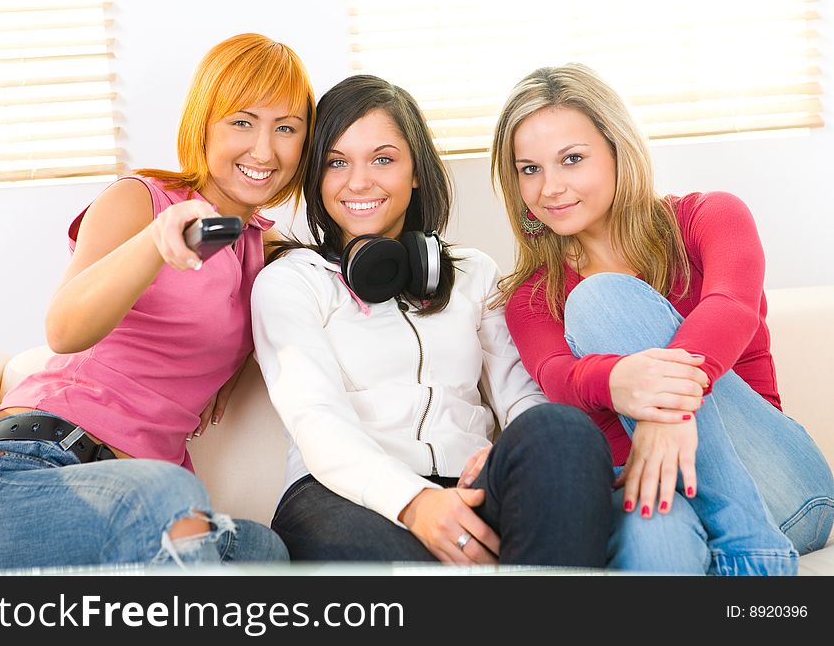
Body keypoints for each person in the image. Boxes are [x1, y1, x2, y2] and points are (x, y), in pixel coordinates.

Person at [0, 33, 315, 571]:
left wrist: (236, 365)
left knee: (263, 551)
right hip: (27, 473)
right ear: (204, 124)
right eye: (243, 121)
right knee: (166, 498)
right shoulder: (141, 200)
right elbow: (64, 328)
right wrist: (154, 242)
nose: (264, 150)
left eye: (286, 128)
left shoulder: (264, 254)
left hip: (149, 511)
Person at [251, 74, 613, 567]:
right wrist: (415, 502)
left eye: (383, 158)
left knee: (562, 429)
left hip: (468, 485)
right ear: (317, 177)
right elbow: (316, 418)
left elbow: (521, 394)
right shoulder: (291, 282)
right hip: (340, 495)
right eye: (337, 162)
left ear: (416, 170)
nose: (359, 181)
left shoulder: (473, 272)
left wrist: (511, 454)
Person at [490, 63, 834, 575]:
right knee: (654, 543)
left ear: (617, 150)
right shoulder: (531, 296)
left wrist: (658, 409)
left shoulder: (709, 217)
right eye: (530, 169)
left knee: (601, 300)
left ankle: (752, 553)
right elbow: (558, 382)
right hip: (656, 489)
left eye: (573, 159)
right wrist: (617, 379)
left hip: (780, 487)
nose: (550, 188)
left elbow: (730, 309)